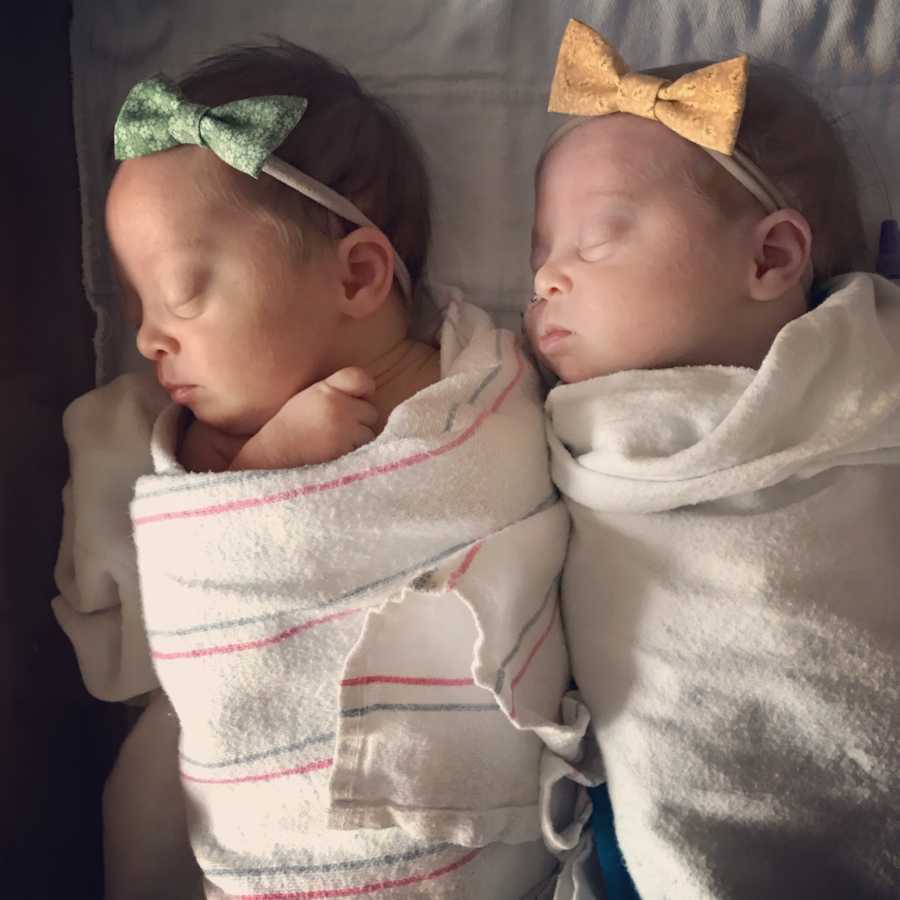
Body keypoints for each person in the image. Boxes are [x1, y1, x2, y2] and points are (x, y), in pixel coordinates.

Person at [56, 40, 576, 900]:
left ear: (359, 274)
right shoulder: (197, 448)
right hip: (276, 843)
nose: (149, 337)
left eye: (181, 295)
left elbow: (522, 505)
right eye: (136, 303)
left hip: (470, 837)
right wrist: (268, 464)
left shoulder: (485, 389)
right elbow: (199, 578)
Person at [525, 19, 900, 900]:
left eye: (596, 238)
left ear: (770, 256)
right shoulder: (529, 414)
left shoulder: (868, 374)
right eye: (538, 249)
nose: (544, 278)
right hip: (669, 813)